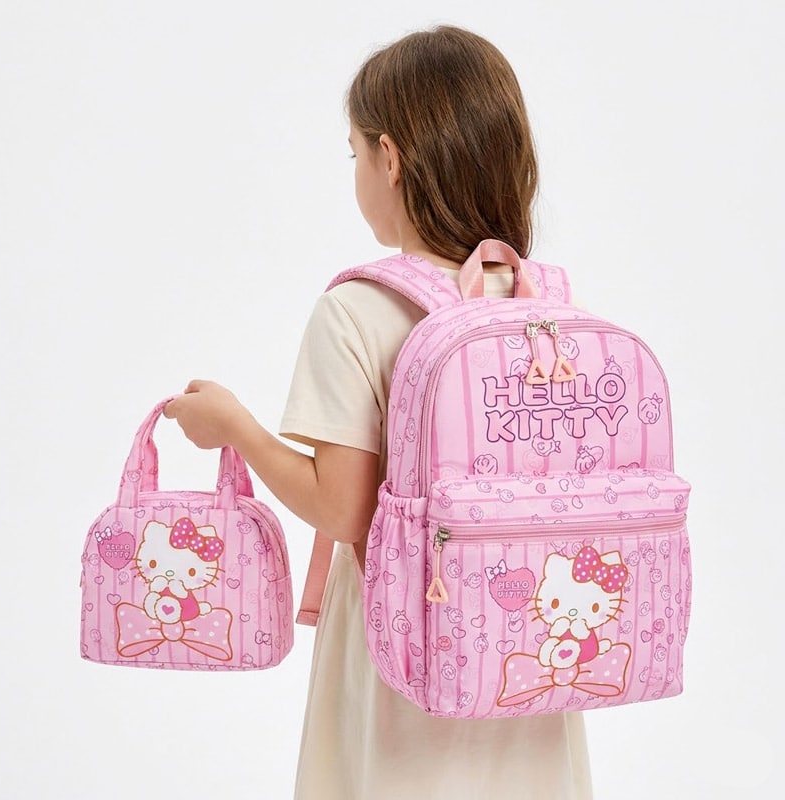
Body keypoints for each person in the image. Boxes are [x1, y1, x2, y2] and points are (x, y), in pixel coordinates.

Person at [164, 24, 593, 800]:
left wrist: (234, 429)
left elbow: (343, 508)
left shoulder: (357, 310)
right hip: (530, 642)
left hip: (408, 650)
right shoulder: (540, 306)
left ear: (389, 158)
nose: (357, 172)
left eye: (355, 153)